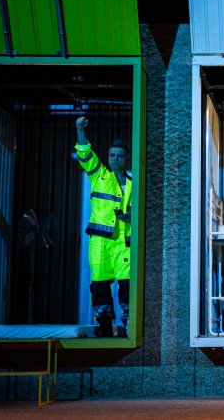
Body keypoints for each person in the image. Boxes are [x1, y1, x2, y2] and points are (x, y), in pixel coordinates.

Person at [75, 117, 132, 337]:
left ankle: (129, 324)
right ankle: (104, 322)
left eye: (120, 155)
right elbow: (85, 154)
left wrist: (132, 216)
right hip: (100, 241)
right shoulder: (99, 175)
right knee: (99, 283)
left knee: (127, 284)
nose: (115, 159)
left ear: (126, 158)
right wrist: (80, 130)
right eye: (112, 155)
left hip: (124, 242)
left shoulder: (134, 184)